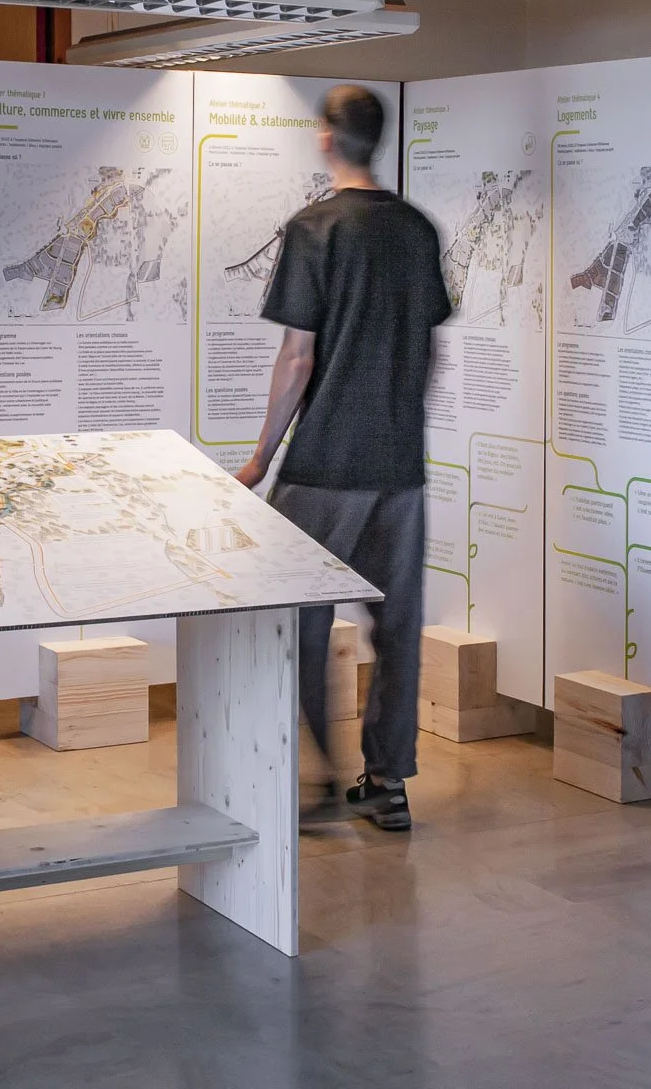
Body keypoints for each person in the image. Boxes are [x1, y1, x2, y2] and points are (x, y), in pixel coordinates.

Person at [235, 84, 452, 833]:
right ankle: (386, 783)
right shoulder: (417, 231)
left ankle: (316, 781)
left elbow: (298, 356)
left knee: (295, 620)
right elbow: (430, 352)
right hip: (399, 467)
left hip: (323, 463)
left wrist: (262, 456)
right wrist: (399, 419)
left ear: (328, 138)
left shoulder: (314, 229)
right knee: (396, 628)